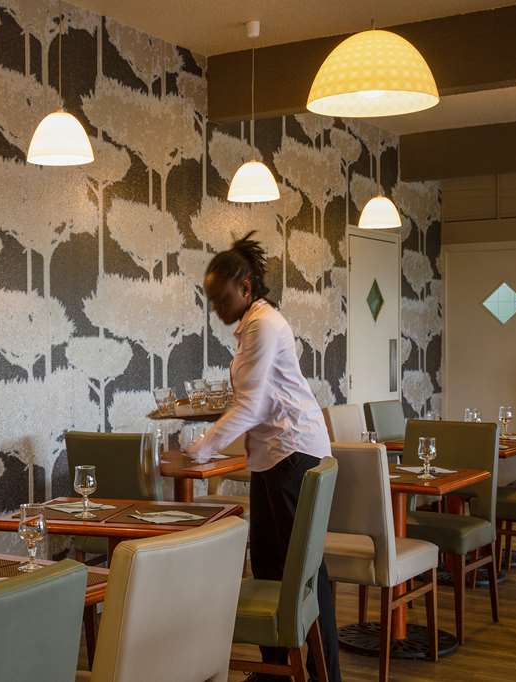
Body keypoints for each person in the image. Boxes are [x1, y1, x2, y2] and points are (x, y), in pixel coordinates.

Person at [184, 232, 340, 682]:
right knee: (270, 567)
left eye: (223, 298)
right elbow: (256, 400)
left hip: (295, 456)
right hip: (275, 458)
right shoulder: (253, 325)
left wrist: (198, 451)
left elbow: (251, 405)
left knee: (305, 575)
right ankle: (275, 672)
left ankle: (325, 675)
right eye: (213, 301)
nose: (218, 309)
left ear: (246, 287)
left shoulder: (264, 324)